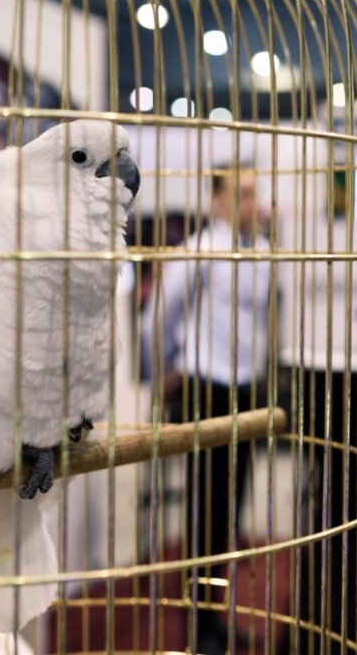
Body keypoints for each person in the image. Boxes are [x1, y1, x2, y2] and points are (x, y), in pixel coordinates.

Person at [144, 167, 271, 653]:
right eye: (240, 193)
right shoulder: (197, 251)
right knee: (205, 509)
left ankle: (214, 616)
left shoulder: (260, 254)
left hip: (244, 392)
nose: (249, 201)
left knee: (230, 510)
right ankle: (198, 622)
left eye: (253, 192)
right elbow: (160, 317)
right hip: (203, 390)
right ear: (216, 199)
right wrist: (169, 368)